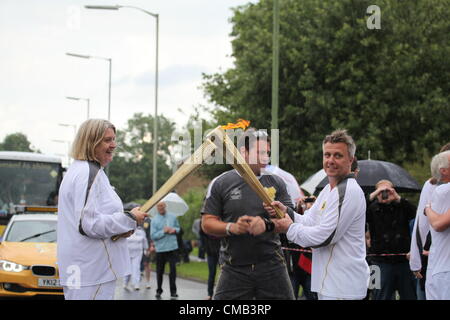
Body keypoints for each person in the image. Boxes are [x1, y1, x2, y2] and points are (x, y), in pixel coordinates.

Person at [266, 129, 370, 300]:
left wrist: (288, 228)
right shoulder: (329, 190)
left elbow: (324, 237)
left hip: (343, 287)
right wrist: (287, 212)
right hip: (330, 284)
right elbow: (309, 220)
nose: (330, 160)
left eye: (338, 155)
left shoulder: (347, 191)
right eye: (327, 155)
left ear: (350, 160)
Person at [57, 119, 147, 300]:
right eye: (107, 140)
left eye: (114, 139)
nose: (114, 145)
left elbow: (89, 221)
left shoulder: (83, 170)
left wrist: (123, 228)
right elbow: (88, 224)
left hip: (88, 269)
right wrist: (129, 218)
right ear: (91, 142)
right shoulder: (87, 172)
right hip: (92, 270)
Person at [201, 128, 295, 300]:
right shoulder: (221, 183)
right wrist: (232, 227)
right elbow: (207, 223)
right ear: (243, 152)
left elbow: (290, 222)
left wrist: (273, 219)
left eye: (267, 152)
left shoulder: (276, 182)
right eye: (260, 152)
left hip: (272, 265)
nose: (266, 157)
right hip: (234, 267)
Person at [365, 179, 417, 300]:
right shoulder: (371, 208)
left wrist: (398, 198)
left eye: (388, 190)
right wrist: (373, 195)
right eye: (381, 191)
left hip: (403, 261)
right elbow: (358, 210)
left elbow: (416, 213)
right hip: (379, 261)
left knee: (409, 295)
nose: (385, 193)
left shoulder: (402, 206)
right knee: (379, 295)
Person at [424, 150, 450, 300]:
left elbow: (436, 223)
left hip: (439, 268)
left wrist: (427, 208)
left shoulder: (438, 191)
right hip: (445, 271)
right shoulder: (444, 191)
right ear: (444, 170)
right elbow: (439, 224)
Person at [150, 201, 180, 299]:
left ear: (165, 206)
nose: (160, 208)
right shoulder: (154, 220)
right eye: (158, 206)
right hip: (161, 249)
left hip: (172, 247)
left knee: (173, 271)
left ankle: (173, 291)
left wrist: (174, 230)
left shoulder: (172, 216)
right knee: (160, 271)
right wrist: (163, 231)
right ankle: (159, 290)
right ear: (156, 208)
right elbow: (153, 235)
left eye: (162, 206)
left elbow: (178, 228)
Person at [199, 219, 221, 300]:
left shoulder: (221, 220)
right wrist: (204, 248)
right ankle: (210, 294)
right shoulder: (206, 221)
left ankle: (222, 293)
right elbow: (201, 234)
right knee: (212, 273)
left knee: (224, 272)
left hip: (221, 251)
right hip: (210, 251)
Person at [124, 226, 148, 290]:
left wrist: (145, 249)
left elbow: (144, 240)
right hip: (127, 252)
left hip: (138, 252)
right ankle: (125, 282)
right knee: (127, 268)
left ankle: (136, 284)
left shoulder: (141, 231)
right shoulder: (126, 229)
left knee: (136, 267)